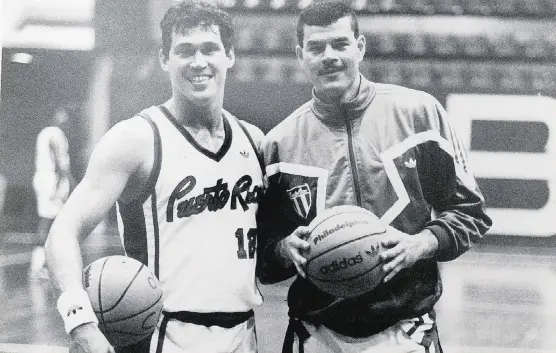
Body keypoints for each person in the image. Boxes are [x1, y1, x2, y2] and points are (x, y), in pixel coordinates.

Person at [256, 2, 492, 353]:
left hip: (405, 329)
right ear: (299, 54)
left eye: (340, 44)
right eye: (316, 47)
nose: (329, 56)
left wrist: (420, 244)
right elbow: (264, 256)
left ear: (360, 47)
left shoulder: (419, 115)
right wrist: (283, 249)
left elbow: (470, 213)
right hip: (317, 332)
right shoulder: (278, 144)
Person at [45, 2, 265, 352]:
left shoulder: (255, 142)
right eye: (184, 51)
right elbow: (63, 232)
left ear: (230, 56)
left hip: (243, 336)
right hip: (164, 336)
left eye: (210, 49)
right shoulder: (136, 139)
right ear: (165, 59)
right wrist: (79, 321)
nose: (198, 62)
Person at [30, 107, 76, 279]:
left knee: (51, 222)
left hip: (44, 178)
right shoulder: (55, 134)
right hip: (52, 180)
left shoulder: (44, 133)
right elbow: (60, 165)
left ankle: (42, 264)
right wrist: (70, 185)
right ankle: (39, 265)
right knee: (50, 223)